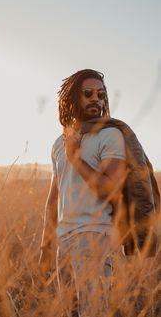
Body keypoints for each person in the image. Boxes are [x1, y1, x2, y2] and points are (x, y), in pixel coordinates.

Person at [38, 69, 159, 317]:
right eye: (88, 93)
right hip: (64, 242)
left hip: (94, 238)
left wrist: (76, 158)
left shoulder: (110, 134)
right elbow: (53, 200)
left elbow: (109, 188)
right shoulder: (59, 143)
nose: (96, 99)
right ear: (72, 99)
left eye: (101, 95)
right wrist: (46, 249)